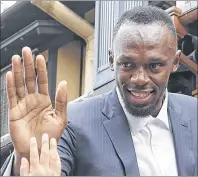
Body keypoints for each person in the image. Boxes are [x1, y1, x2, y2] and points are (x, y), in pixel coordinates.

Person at [1, 6, 197, 176]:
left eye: (154, 66)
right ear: (112, 60)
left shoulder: (194, 115)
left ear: (175, 63)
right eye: (127, 64)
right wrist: (27, 157)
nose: (139, 79)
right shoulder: (71, 123)